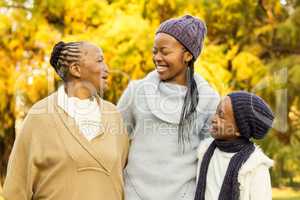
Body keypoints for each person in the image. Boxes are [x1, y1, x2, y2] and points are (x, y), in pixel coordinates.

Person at [2, 41, 129, 200]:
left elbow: (125, 174)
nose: (107, 69)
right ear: (76, 69)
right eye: (99, 60)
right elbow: (16, 190)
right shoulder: (39, 116)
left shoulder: (113, 115)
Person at [117, 15, 220, 200]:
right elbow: (115, 142)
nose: (157, 57)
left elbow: (212, 157)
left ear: (188, 55)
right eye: (154, 51)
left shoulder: (209, 99)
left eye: (164, 52)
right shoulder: (136, 91)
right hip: (134, 194)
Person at [195, 91, 274, 200]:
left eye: (221, 116)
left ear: (239, 130)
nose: (213, 119)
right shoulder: (205, 151)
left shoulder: (255, 167)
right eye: (216, 112)